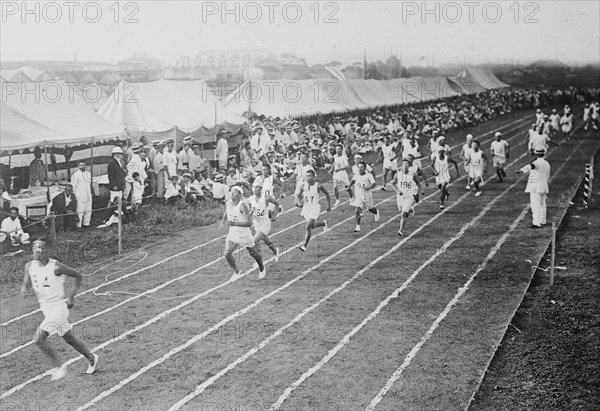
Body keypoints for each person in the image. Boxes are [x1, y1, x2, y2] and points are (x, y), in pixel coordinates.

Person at [19, 237, 98, 381]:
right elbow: (27, 281)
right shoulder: (29, 265)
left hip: (59, 308)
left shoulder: (56, 267)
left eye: (41, 248)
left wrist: (71, 297)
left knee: (38, 339)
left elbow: (78, 276)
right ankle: (92, 357)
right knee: (69, 339)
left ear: (48, 250)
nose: (37, 251)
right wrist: (24, 289)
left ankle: (59, 366)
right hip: (45, 308)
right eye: (35, 248)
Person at [220, 186, 266, 279]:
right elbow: (226, 212)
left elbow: (249, 223)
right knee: (227, 253)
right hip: (233, 232)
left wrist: (234, 223)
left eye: (235, 192)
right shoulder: (229, 203)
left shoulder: (242, 206)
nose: (232, 193)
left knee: (253, 253)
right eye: (231, 191)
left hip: (244, 233)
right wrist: (222, 223)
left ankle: (261, 267)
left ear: (240, 195)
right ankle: (237, 272)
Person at [295, 169, 331, 252]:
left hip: (314, 207)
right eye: (306, 176)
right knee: (311, 226)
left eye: (309, 176)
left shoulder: (318, 186)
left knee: (308, 226)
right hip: (306, 208)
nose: (307, 177)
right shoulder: (303, 185)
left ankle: (304, 246)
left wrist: (329, 205)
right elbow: (297, 195)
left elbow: (327, 194)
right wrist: (299, 202)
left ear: (314, 177)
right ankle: (323, 223)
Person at [518, 149, 551, 228]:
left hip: (535, 187)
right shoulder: (547, 163)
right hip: (544, 186)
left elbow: (532, 166)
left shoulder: (536, 163)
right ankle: (543, 220)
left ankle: (536, 223)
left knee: (535, 205)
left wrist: (522, 170)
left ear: (536, 155)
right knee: (542, 204)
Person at [248, 180, 280, 262]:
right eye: (253, 187)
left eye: (257, 187)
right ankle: (276, 251)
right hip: (256, 223)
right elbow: (247, 210)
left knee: (254, 241)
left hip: (265, 223)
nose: (255, 189)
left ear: (261, 188)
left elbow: (277, 203)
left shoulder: (266, 197)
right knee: (266, 240)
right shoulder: (250, 199)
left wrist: (274, 215)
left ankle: (259, 260)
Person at [390, 159, 422, 236]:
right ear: (401, 166)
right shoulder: (398, 174)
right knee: (401, 210)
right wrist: (397, 191)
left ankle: (400, 230)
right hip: (400, 197)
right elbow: (392, 183)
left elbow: (418, 183)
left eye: (406, 166)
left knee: (403, 214)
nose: (405, 167)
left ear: (409, 167)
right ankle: (410, 209)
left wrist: (421, 191)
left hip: (409, 197)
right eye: (403, 165)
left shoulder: (413, 175)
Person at [347, 162, 380, 232]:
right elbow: (353, 181)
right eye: (359, 167)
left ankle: (376, 211)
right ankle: (357, 226)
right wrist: (349, 186)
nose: (360, 168)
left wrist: (369, 187)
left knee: (370, 209)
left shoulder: (369, 175)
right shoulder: (356, 174)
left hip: (367, 195)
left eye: (361, 167)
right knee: (357, 210)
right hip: (358, 195)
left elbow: (374, 184)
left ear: (365, 168)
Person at [70, 161, 92, 229]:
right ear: (78, 166)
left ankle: (86, 224)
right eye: (81, 165)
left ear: (86, 166)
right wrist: (74, 196)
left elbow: (89, 185)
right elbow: (73, 187)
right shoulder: (75, 175)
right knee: (80, 211)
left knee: (88, 210)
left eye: (84, 165)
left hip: (88, 195)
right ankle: (78, 226)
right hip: (80, 195)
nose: (82, 167)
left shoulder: (89, 174)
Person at [330, 143, 351, 208]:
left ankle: (352, 197)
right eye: (336, 149)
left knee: (347, 188)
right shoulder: (335, 156)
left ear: (341, 150)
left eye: (339, 149)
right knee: (335, 187)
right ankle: (337, 200)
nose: (337, 150)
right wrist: (331, 170)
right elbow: (334, 163)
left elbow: (347, 166)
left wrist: (339, 169)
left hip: (343, 174)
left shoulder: (344, 157)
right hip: (336, 174)